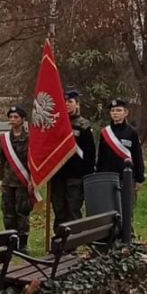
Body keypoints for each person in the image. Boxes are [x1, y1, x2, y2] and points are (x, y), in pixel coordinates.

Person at [49, 89, 97, 229]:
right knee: (59, 210)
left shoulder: (84, 126)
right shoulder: (55, 124)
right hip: (58, 175)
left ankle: (73, 243)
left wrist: (86, 176)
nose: (67, 105)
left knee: (73, 209)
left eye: (70, 102)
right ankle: (59, 242)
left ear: (77, 104)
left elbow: (89, 154)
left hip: (75, 176)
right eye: (64, 102)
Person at [0, 105, 34, 253]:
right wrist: (0, 179)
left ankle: (23, 243)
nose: (12, 120)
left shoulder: (29, 138)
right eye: (11, 117)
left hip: (23, 182)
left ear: (23, 120)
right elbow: (1, 161)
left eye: (16, 117)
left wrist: (32, 179)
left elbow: (33, 161)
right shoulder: (5, 139)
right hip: (7, 181)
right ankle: (11, 241)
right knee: (8, 213)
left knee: (22, 212)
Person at [96, 97, 145, 192]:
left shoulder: (132, 132)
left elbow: (137, 156)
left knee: (126, 205)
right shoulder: (105, 132)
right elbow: (101, 157)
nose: (115, 113)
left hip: (126, 177)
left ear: (125, 113)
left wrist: (139, 178)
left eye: (119, 110)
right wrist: (98, 174)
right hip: (108, 177)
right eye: (113, 110)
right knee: (109, 206)